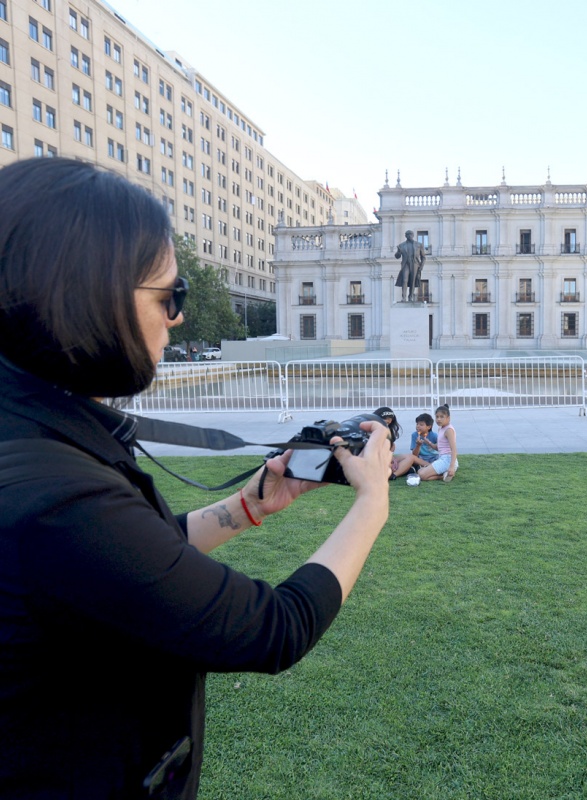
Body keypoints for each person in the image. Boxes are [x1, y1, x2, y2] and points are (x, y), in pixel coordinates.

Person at [0, 158, 391, 799]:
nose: (178, 317)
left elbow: (127, 559)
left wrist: (247, 508)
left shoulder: (37, 430)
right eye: (169, 296)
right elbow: (274, 628)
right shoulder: (54, 499)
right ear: (88, 295)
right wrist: (371, 503)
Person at [418, 404, 458, 483]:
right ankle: (444, 474)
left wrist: (451, 466)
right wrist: (428, 442)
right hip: (442, 458)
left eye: (442, 417)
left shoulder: (448, 430)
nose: (439, 419)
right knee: (419, 471)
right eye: (437, 417)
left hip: (447, 460)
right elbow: (439, 448)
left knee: (421, 475)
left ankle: (443, 475)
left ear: (448, 418)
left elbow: (454, 449)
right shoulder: (441, 428)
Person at [391, 413, 438, 479]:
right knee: (411, 458)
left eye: (421, 424)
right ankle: (426, 467)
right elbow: (415, 455)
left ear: (429, 427)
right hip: (421, 458)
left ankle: (421, 468)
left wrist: (429, 443)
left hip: (434, 457)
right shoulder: (415, 435)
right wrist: (418, 445)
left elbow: (440, 449)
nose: (418, 426)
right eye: (417, 424)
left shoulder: (434, 436)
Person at [394, 230, 425, 302]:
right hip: (406, 264)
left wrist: (421, 266)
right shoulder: (401, 245)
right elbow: (397, 256)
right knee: (404, 280)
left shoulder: (419, 245)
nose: (409, 235)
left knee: (412, 281)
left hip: (415, 264)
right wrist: (398, 251)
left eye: (411, 234)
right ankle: (404, 297)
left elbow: (423, 257)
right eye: (407, 234)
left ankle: (410, 297)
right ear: (405, 236)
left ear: (413, 235)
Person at [374, 406, 402, 477]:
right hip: (374, 460)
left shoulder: (388, 431)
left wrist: (391, 457)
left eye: (389, 423)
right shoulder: (370, 430)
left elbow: (390, 449)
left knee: (410, 458)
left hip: (385, 459)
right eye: (386, 422)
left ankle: (393, 475)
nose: (387, 425)